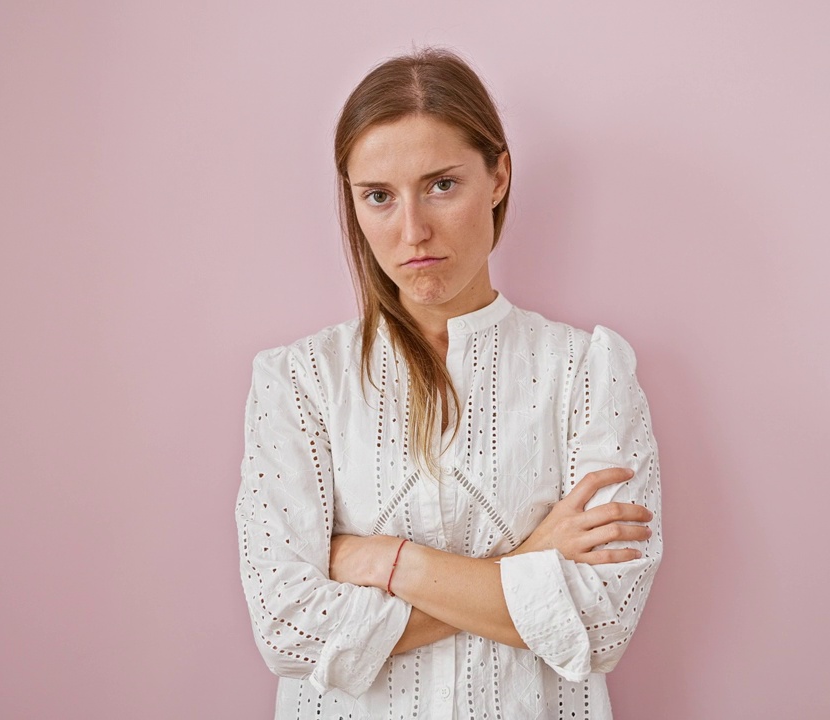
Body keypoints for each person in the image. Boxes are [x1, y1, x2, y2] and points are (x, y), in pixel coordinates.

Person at [236, 47, 662, 719]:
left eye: (441, 185)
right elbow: (289, 628)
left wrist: (385, 561)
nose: (413, 231)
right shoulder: (299, 383)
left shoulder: (588, 371)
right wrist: (530, 561)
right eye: (378, 196)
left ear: (498, 176)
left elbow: (600, 622)